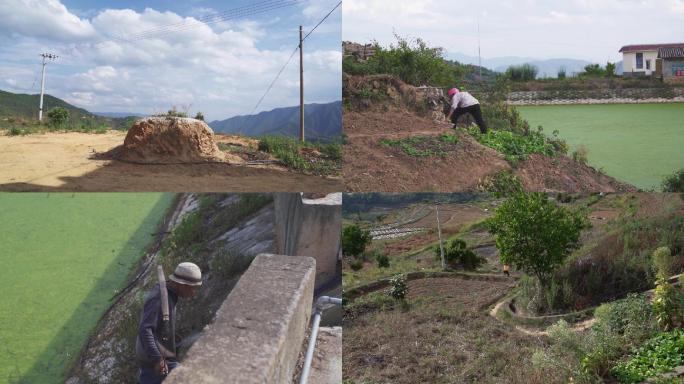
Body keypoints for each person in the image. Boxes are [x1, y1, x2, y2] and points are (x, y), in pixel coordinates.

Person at [136, 262, 202, 384]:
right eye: (193, 287)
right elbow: (145, 329)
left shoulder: (170, 295)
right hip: (152, 360)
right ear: (181, 285)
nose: (194, 292)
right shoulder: (158, 299)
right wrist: (157, 359)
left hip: (161, 356)